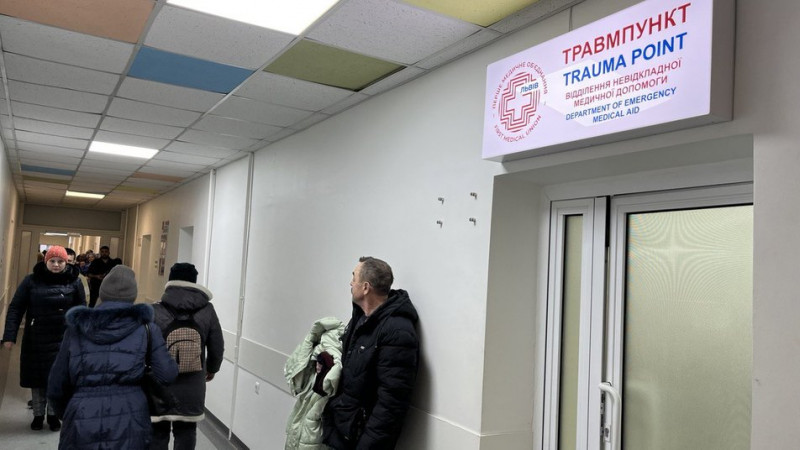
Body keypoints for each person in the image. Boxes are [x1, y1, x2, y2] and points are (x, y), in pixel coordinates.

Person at [47, 265, 179, 449]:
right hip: (131, 413)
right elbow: (167, 374)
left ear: (102, 293)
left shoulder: (76, 329)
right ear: (133, 296)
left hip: (82, 412)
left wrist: (69, 412)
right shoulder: (147, 329)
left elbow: (56, 384)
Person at [322, 257, 419, 449]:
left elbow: (391, 403)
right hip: (342, 431)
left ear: (365, 287)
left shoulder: (397, 331)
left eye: (354, 277)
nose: (351, 283)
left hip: (361, 440)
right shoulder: (361, 320)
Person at [1, 245, 85, 431]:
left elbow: (81, 311)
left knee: (56, 378)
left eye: (60, 261)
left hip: (62, 338)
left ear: (66, 263)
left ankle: (53, 415)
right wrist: (9, 336)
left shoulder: (74, 282)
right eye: (52, 261)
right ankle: (38, 415)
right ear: (46, 261)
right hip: (36, 337)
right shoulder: (31, 281)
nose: (56, 264)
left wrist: (82, 336)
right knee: (37, 378)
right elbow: (16, 308)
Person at [150, 262, 224, 450]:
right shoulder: (207, 310)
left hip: (160, 383)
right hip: (193, 382)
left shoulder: (155, 310)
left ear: (170, 282)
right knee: (186, 432)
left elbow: (146, 347)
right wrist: (212, 368)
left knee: (158, 432)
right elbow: (217, 344)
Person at [284, 317, 345, 450]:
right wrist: (311, 338)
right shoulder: (313, 380)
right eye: (317, 360)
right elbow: (296, 378)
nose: (318, 366)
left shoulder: (332, 389)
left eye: (323, 362)